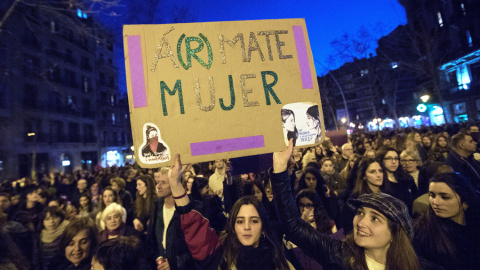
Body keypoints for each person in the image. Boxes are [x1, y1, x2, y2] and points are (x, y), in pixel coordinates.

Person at [270, 140, 420, 270]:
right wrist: (281, 172)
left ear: (395, 234)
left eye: (375, 219)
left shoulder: (418, 265)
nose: (361, 222)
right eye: (360, 213)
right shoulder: (339, 255)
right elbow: (294, 227)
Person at [167, 154, 293, 269]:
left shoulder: (279, 261)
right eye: (240, 221)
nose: (247, 227)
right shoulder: (221, 257)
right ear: (233, 226)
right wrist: (175, 183)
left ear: (263, 227)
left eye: (254, 221)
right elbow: (194, 225)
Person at [413, 172, 480, 269]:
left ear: (465, 202)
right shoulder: (421, 232)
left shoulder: (475, 225)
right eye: (432, 195)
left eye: (445, 197)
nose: (435, 202)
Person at [145, 167, 194, 270]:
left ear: (175, 184)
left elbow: (195, 247)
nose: (158, 186)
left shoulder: (188, 209)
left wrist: (174, 263)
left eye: (163, 182)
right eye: (158, 182)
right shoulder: (157, 207)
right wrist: (158, 257)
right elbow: (152, 241)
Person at [377, 147, 418, 213]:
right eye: (389, 158)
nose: (394, 162)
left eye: (396, 158)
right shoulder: (378, 181)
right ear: (381, 160)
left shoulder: (407, 178)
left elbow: (415, 199)